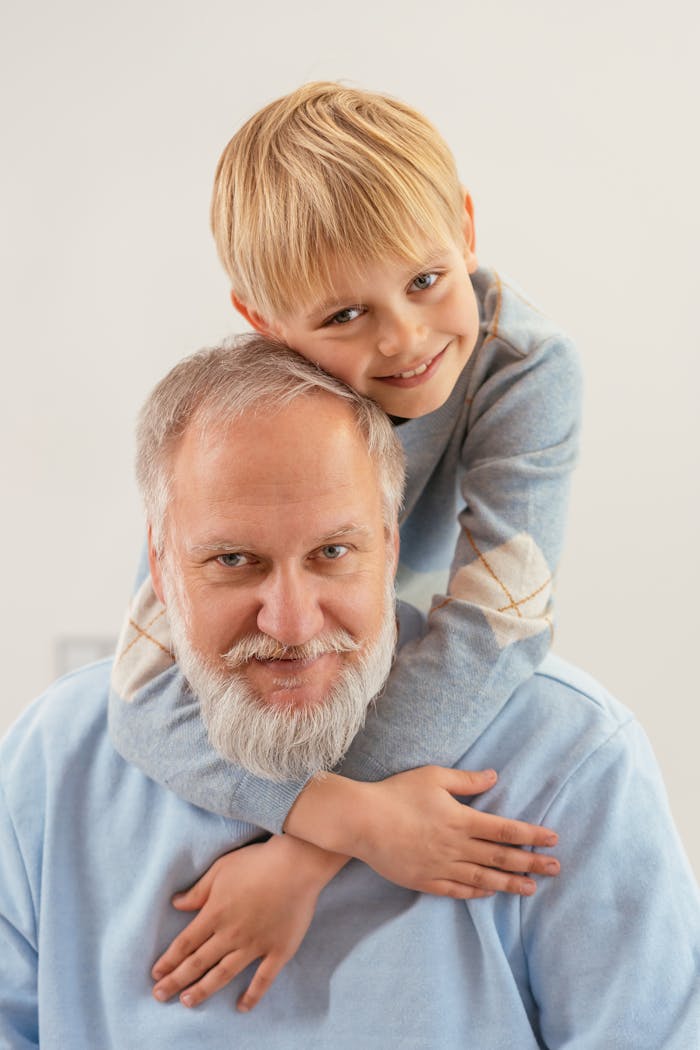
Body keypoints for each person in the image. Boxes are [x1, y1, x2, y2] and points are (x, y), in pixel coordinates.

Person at [2, 340, 697, 1050]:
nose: (292, 624)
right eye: (234, 561)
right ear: (160, 565)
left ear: (391, 547)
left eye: (333, 553)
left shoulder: (573, 765)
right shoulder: (49, 766)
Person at [108, 82, 582, 1007]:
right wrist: (349, 815)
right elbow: (141, 690)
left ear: (466, 228)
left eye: (425, 280)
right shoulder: (250, 414)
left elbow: (502, 625)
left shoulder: (527, 366)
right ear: (265, 324)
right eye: (342, 316)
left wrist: (304, 856)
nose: (406, 339)